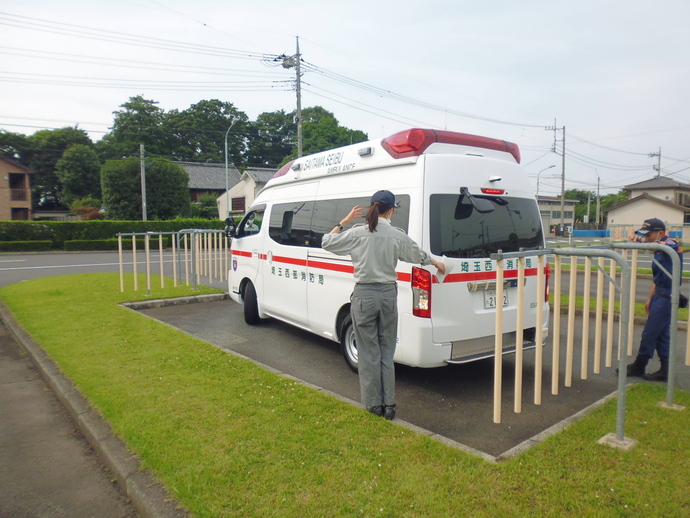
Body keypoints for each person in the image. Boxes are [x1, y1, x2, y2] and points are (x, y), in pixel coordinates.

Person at [321, 190, 446, 420]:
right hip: (388, 295)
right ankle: (389, 405)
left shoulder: (357, 232)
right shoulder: (396, 235)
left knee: (368, 353)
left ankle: (372, 405)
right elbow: (417, 254)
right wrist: (436, 263)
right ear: (390, 210)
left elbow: (326, 242)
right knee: (386, 353)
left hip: (364, 297)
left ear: (373, 208)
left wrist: (344, 221)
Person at [623, 218, 683, 381]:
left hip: (667, 297)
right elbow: (657, 278)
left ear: (661, 233)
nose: (646, 238)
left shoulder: (671, 245)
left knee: (649, 334)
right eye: (645, 235)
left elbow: (670, 246)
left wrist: (644, 244)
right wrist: (650, 298)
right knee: (661, 335)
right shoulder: (658, 249)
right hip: (659, 295)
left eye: (649, 235)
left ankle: (639, 365)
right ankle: (665, 370)